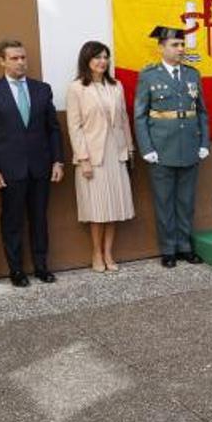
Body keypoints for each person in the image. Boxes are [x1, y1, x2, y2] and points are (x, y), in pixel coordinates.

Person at [0, 39, 63, 287]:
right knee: (12, 220)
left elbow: (53, 129)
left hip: (40, 167)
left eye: (23, 57)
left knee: (39, 218)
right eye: (14, 58)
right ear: (2, 61)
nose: (21, 62)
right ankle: (16, 270)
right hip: (9, 169)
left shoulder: (42, 89)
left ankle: (41, 267)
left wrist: (58, 161)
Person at [135, 26, 209, 267]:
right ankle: (168, 249)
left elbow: (202, 112)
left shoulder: (192, 75)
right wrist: (146, 147)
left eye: (182, 44)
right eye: (174, 45)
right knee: (164, 201)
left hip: (189, 145)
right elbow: (140, 115)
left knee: (186, 201)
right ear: (161, 48)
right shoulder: (149, 76)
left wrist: (204, 142)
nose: (180, 49)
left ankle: (185, 246)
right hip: (161, 147)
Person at [67, 41, 135, 271]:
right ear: (87, 60)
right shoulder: (77, 88)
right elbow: (74, 127)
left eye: (105, 57)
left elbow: (124, 119)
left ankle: (108, 253)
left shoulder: (116, 86)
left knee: (113, 207)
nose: (102, 61)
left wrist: (129, 149)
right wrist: (83, 159)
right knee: (97, 210)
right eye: (97, 57)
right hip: (92, 157)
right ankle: (96, 253)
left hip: (116, 154)